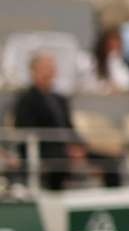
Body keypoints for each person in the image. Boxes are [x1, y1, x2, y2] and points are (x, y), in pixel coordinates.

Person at [12, 52, 120, 189]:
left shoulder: (60, 99)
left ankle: (111, 198)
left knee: (110, 163)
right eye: (45, 68)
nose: (49, 72)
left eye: (51, 67)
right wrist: (65, 150)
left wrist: (80, 147)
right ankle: (55, 197)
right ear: (34, 71)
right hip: (45, 151)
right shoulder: (26, 100)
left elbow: (70, 128)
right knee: (60, 162)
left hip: (67, 150)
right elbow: (27, 132)